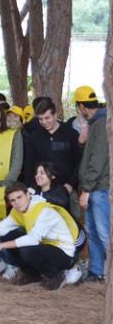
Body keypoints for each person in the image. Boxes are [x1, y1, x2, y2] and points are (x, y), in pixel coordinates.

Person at [0, 183, 81, 290]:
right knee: (8, 235)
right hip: (46, 247)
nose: (17, 202)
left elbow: (33, 239)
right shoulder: (17, 211)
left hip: (64, 253)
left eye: (19, 197)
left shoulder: (43, 209)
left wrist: (2, 245)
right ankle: (32, 275)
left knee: (26, 249)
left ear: (27, 195)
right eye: (13, 200)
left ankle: (56, 276)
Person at [75, 85, 109, 282]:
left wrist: (86, 189)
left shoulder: (101, 123)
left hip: (99, 188)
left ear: (81, 106)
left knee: (104, 233)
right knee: (93, 232)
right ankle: (97, 271)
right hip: (94, 188)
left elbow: (98, 159)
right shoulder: (96, 123)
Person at [22, 98, 82, 205]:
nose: (44, 122)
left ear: (55, 115)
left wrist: (71, 183)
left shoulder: (70, 134)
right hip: (41, 190)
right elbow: (28, 164)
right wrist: (30, 186)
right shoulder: (34, 137)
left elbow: (78, 161)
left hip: (66, 188)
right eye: (40, 119)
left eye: (47, 118)